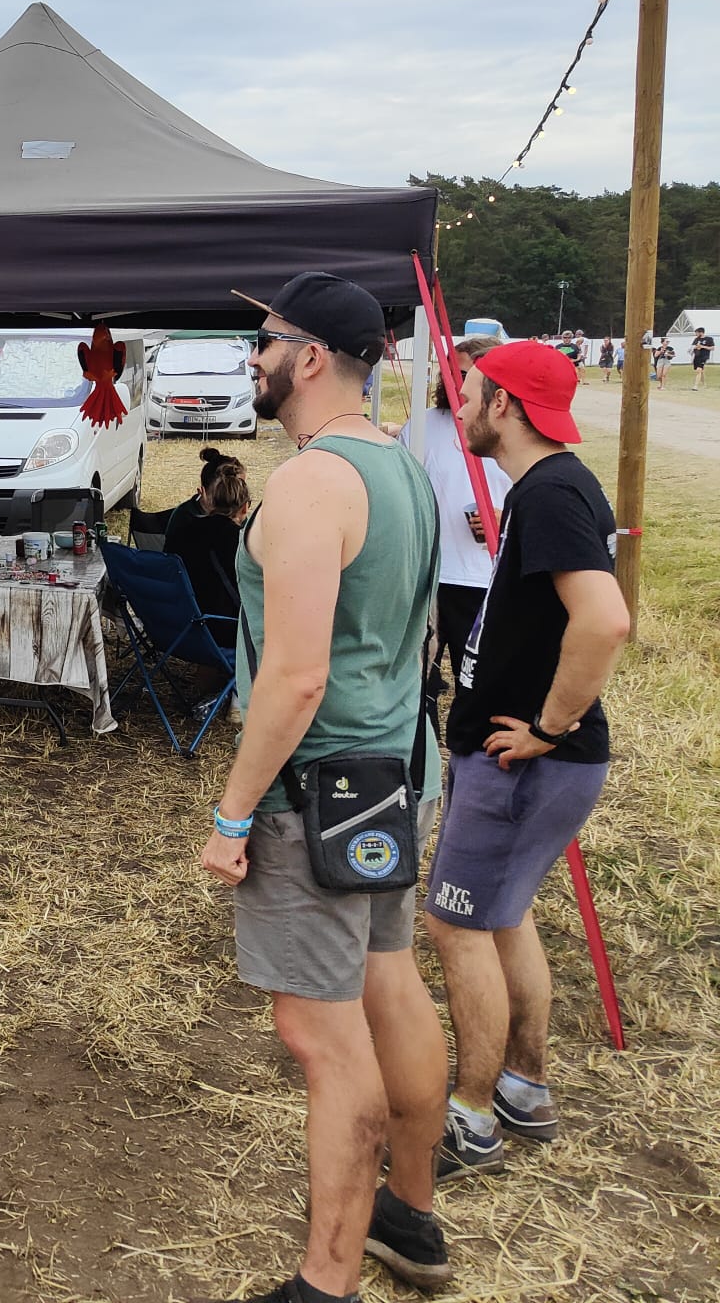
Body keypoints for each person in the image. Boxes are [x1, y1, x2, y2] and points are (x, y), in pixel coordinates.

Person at [200, 273, 451, 1301]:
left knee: (317, 1032)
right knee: (389, 981)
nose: (249, 360)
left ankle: (326, 1280)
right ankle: (410, 1217)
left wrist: (231, 813)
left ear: (307, 358)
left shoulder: (308, 483)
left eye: (261, 342)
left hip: (318, 798)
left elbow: (295, 677)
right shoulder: (401, 468)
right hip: (395, 781)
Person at [424, 342, 630, 1181]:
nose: (459, 403)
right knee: (504, 915)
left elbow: (605, 620)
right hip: (533, 763)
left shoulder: (548, 492)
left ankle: (470, 1120)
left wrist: (550, 725)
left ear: (502, 403)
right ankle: (524, 1087)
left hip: (525, 765)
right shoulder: (546, 489)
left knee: (458, 922)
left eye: (469, 391)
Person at [398, 336, 511, 699]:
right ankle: (422, 750)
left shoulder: (512, 430)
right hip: (425, 577)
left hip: (482, 579)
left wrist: (502, 516)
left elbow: (535, 500)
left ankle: (470, 751)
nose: (455, 383)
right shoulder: (423, 426)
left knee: (476, 685)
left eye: (463, 373)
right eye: (447, 371)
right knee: (416, 685)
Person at [164, 452, 246, 643]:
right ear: (244, 507)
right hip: (221, 627)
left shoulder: (186, 529)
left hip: (181, 622)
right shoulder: (237, 539)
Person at [161, 446, 243, 548]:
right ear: (202, 492)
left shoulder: (239, 515)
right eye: (219, 495)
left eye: (239, 491)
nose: (230, 499)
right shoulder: (187, 521)